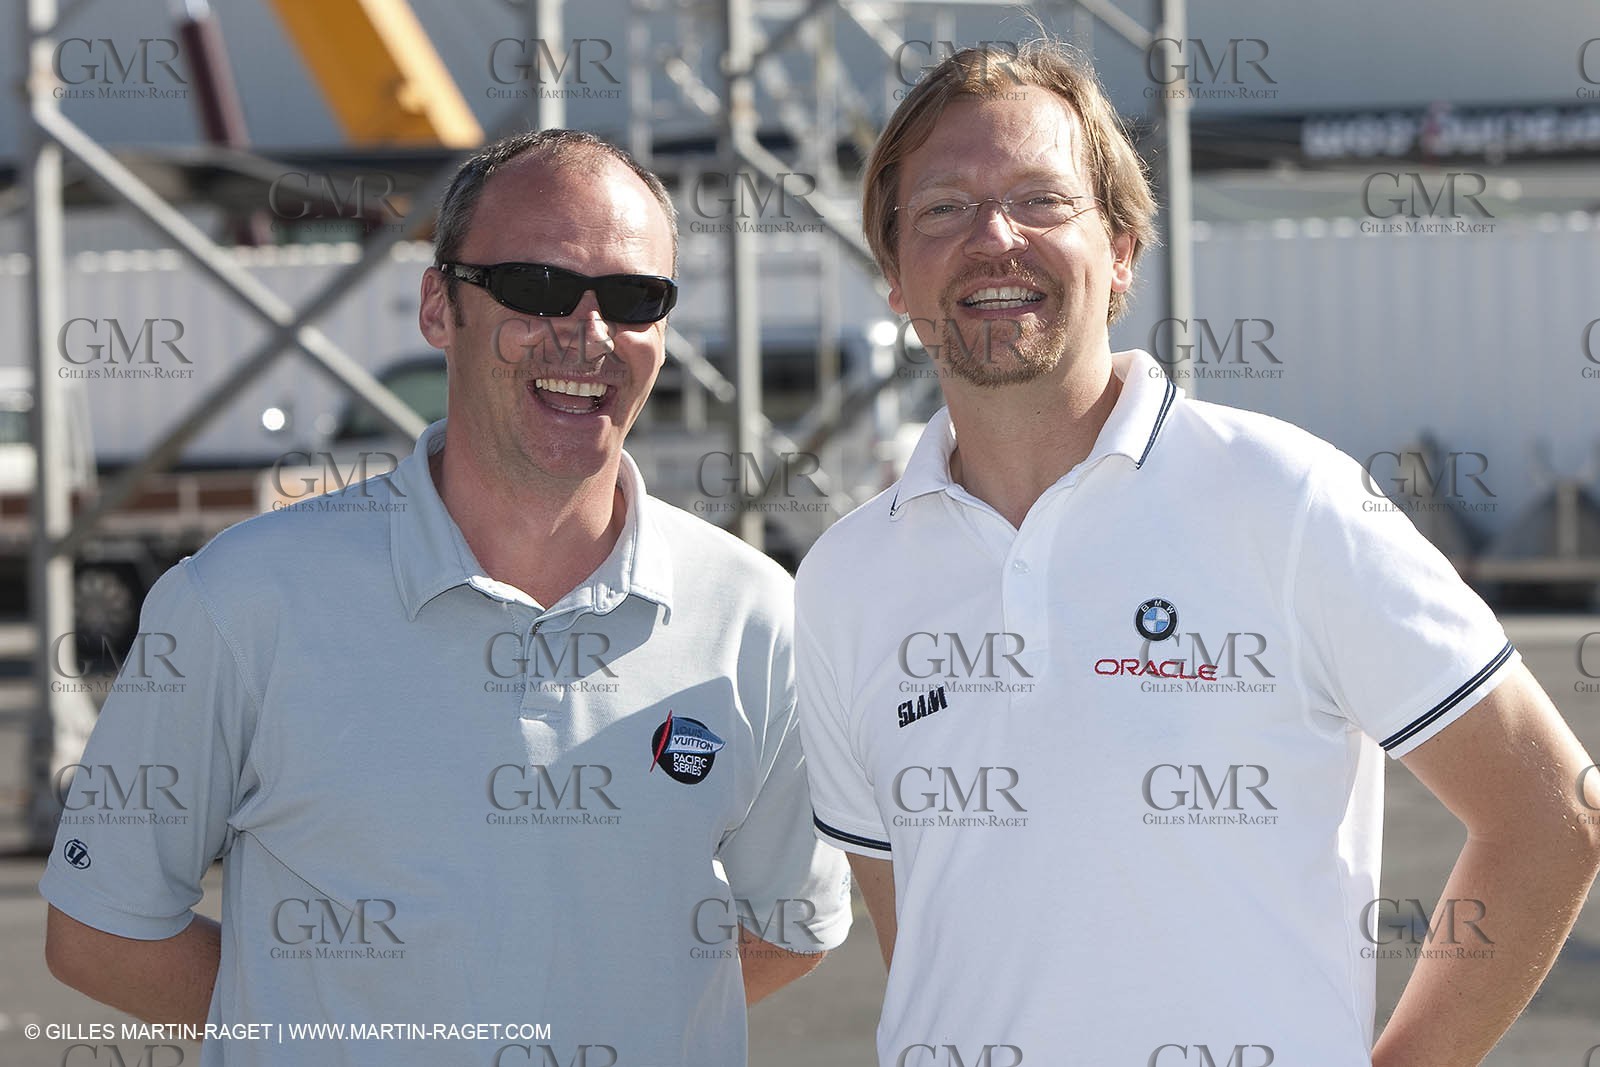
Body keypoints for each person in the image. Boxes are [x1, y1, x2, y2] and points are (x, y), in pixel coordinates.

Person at [793, 40, 1600, 1067]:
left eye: (1041, 199)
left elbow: (1549, 812)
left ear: (1122, 252)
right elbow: (924, 931)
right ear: (896, 276)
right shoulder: (842, 581)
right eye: (944, 208)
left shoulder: (1290, 499)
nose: (994, 237)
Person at [41, 129, 851, 1067]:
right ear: (439, 306)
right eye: (536, 286)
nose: (587, 334)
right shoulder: (237, 602)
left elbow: (793, 925)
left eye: (633, 298)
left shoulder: (756, 614)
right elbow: (101, 933)